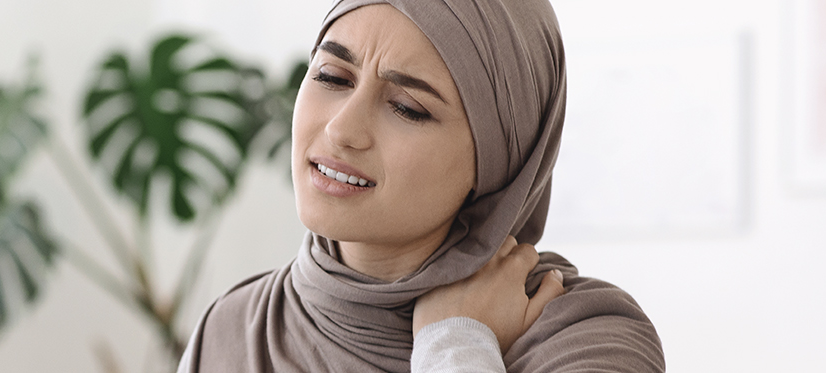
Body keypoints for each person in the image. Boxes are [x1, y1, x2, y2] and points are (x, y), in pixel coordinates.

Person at [175, 1, 665, 372]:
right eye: (332, 76)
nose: (342, 130)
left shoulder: (590, 338)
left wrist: (455, 343)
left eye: (407, 107)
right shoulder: (234, 331)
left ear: (498, 160)